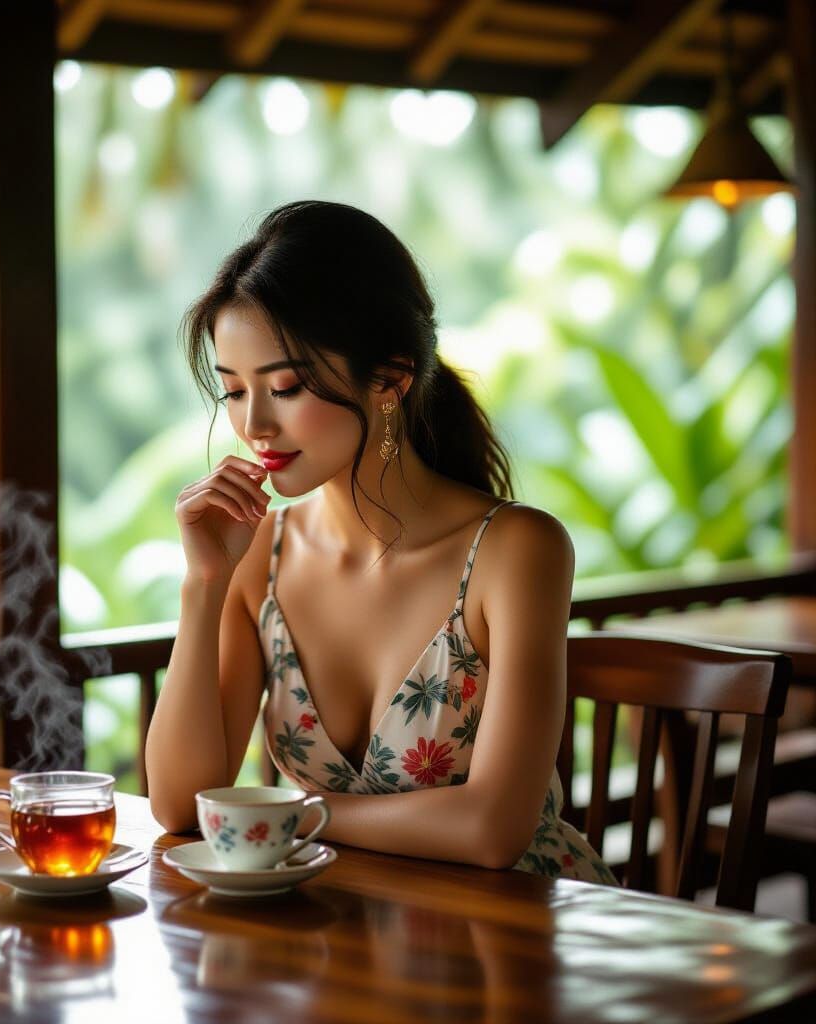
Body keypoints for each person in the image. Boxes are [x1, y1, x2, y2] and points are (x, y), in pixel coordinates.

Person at [145, 200, 615, 883]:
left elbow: (494, 830)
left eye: (284, 386)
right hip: (340, 939)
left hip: (514, 938)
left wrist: (299, 813)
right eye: (234, 392)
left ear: (390, 380)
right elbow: (181, 807)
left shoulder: (516, 551)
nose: (256, 425)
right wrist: (205, 584)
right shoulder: (260, 556)